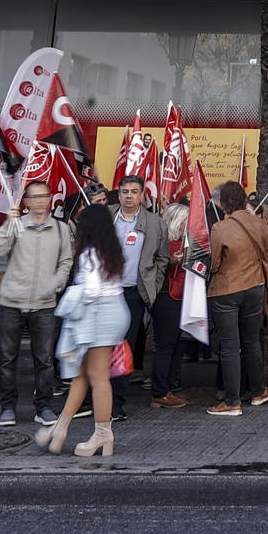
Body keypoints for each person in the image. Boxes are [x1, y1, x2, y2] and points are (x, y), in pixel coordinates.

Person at [37, 204, 130, 457]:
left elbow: (90, 292)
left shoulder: (89, 254)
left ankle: (102, 434)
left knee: (97, 378)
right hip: (113, 311)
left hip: (98, 313)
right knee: (83, 375)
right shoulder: (112, 250)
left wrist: (68, 297)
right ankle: (61, 428)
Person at [0, 181, 71, 428]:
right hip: (12, 302)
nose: (38, 201)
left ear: (49, 199)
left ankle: (43, 407)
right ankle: (7, 408)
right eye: (33, 197)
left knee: (44, 360)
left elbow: (66, 262)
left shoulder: (61, 229)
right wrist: (7, 223)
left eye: (43, 196)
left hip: (44, 304)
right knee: (7, 359)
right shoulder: (16, 225)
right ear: (25, 202)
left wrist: (55, 284)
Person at [207, 180, 268, 416]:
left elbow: (215, 263)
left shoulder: (220, 228)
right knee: (251, 341)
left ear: (224, 203)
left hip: (226, 290)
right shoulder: (260, 224)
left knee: (229, 345)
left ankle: (232, 401)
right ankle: (258, 391)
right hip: (255, 287)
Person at [109, 175, 167, 419]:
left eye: (134, 191)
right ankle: (94, 398)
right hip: (106, 293)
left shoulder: (154, 223)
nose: (129, 196)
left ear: (142, 195)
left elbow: (163, 258)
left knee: (125, 348)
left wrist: (153, 283)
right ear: (119, 193)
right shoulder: (106, 216)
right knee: (102, 347)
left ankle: (116, 403)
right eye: (125, 191)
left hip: (133, 293)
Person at [149, 198, 193, 409]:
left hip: (173, 298)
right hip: (169, 298)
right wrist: (170, 261)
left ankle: (165, 388)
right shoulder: (168, 246)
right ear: (176, 222)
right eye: (186, 220)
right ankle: (160, 392)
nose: (189, 224)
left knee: (171, 345)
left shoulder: (173, 243)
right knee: (167, 346)